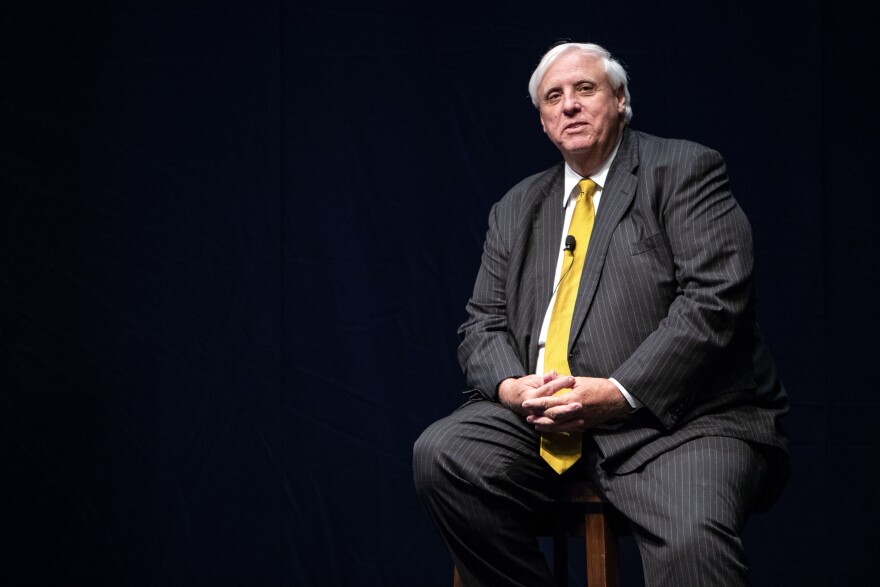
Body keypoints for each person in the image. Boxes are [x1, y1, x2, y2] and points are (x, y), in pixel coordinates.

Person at [413, 41, 789, 587]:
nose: (568, 105)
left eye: (584, 89)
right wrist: (513, 389)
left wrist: (616, 392)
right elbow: (482, 324)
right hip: (539, 422)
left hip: (678, 423)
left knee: (693, 542)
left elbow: (714, 302)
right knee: (446, 456)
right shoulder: (516, 207)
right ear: (542, 121)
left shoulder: (684, 170)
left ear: (619, 99)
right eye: (553, 97)